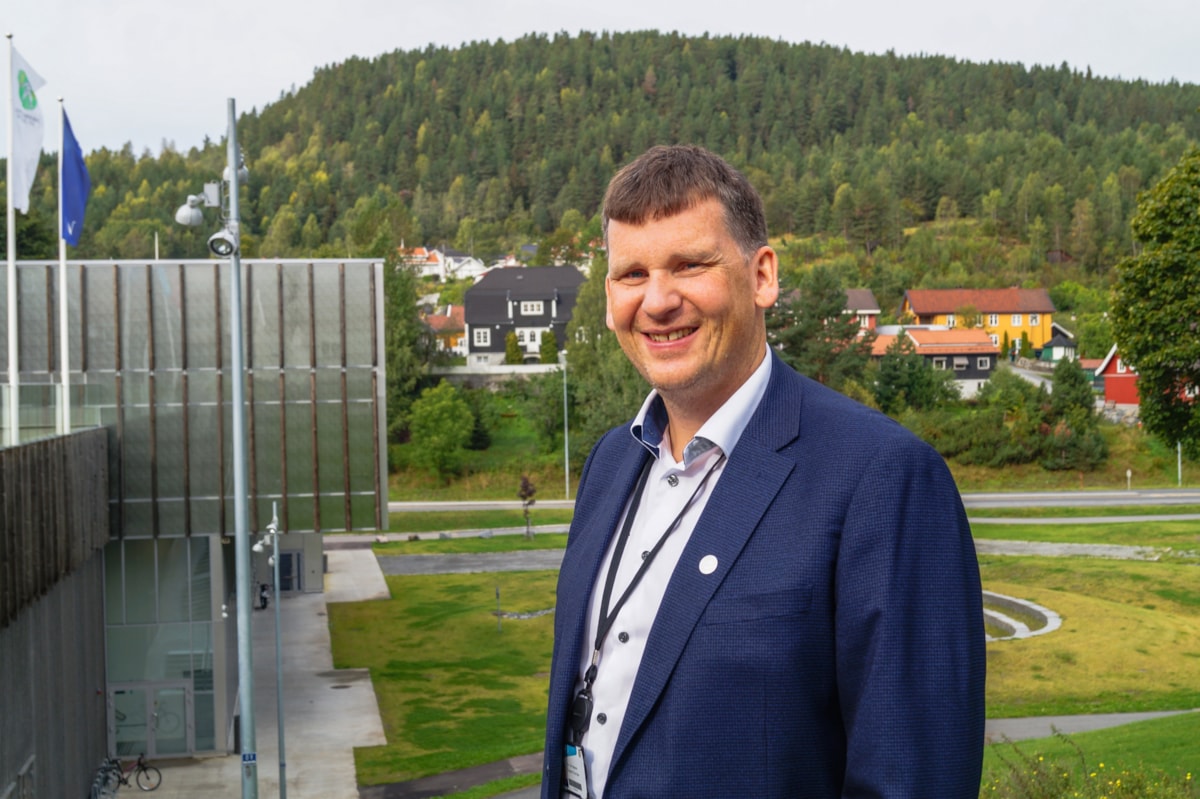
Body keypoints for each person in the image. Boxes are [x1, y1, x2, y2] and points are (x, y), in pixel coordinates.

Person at [540, 144, 985, 798]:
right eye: (631, 274)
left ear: (763, 276)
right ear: (608, 297)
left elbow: (912, 779)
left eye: (690, 264)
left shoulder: (882, 479)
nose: (658, 301)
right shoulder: (611, 460)